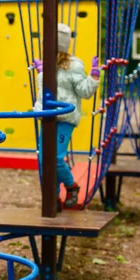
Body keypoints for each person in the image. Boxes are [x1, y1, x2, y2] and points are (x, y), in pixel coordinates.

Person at [33, 23, 100, 211]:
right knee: (42, 159)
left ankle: (71, 186)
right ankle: (53, 197)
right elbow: (48, 88)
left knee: (54, 157)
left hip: (64, 118)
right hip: (46, 115)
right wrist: (41, 73)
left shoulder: (74, 66)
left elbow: (84, 92)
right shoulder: (48, 63)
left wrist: (93, 77)